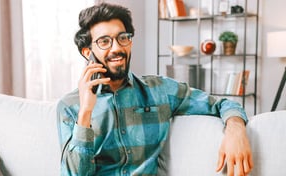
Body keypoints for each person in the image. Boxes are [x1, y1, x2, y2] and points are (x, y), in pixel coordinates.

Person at [57, 2, 253, 176]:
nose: (116, 48)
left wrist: (236, 131)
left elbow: (222, 104)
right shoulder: (70, 106)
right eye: (104, 41)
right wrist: (85, 113)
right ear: (87, 52)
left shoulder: (160, 90)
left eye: (122, 38)